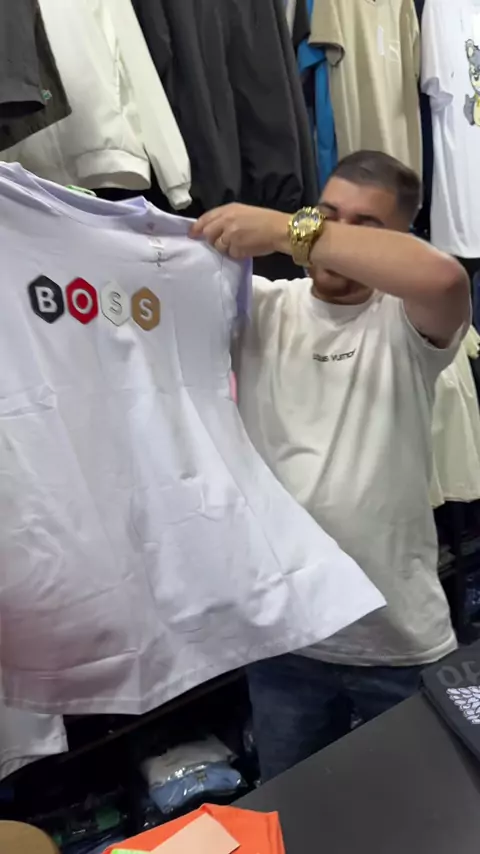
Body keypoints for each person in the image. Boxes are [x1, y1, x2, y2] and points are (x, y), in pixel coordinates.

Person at [191, 150, 471, 781]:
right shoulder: (262, 305)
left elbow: (445, 280)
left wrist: (284, 229)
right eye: (325, 214)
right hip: (287, 639)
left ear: (397, 238)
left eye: (365, 227)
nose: (329, 236)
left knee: (430, 810)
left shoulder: (405, 321)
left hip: (398, 639)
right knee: (291, 808)